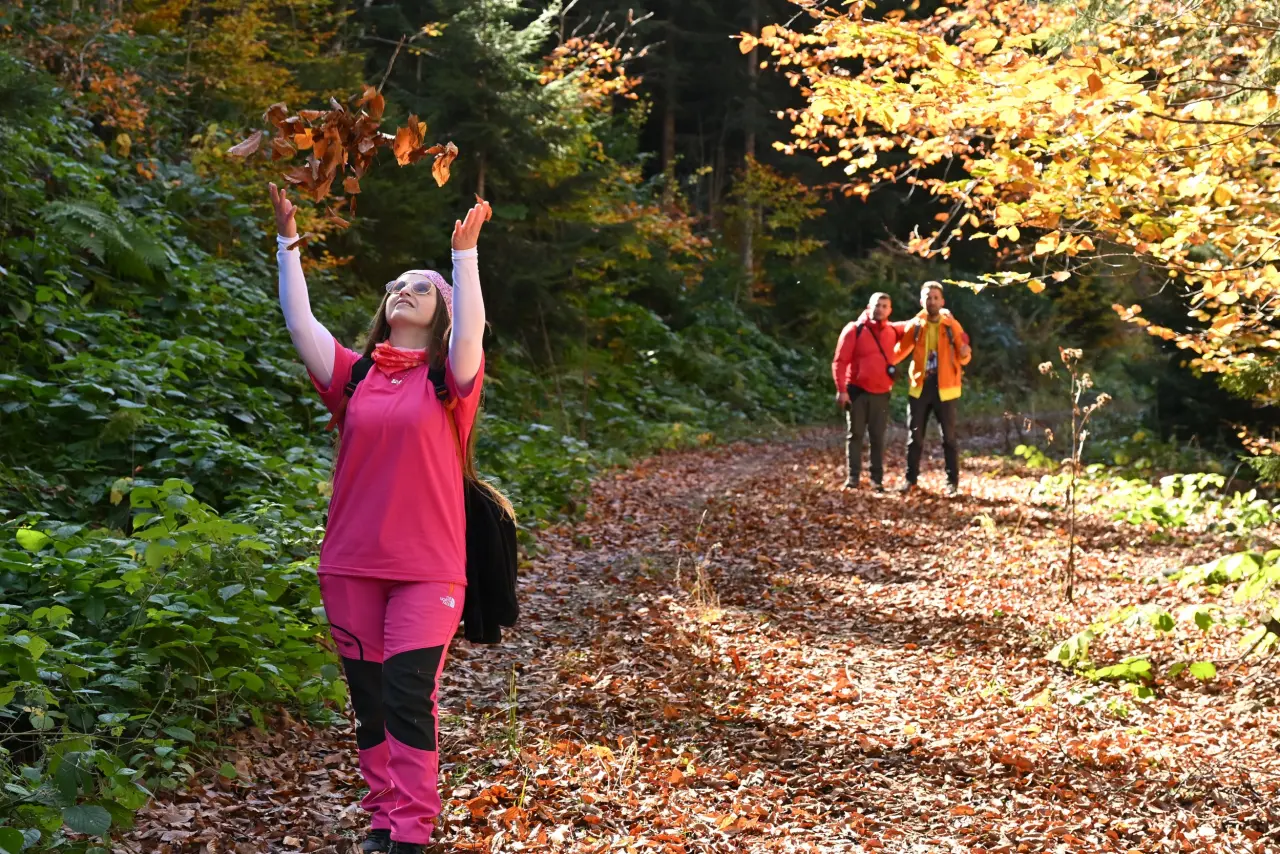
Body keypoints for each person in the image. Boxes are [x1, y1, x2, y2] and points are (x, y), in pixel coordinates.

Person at [270, 182, 491, 854]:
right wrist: (288, 244)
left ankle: (412, 830)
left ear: (440, 311)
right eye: (395, 284)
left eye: (418, 287)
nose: (403, 289)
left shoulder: (449, 380)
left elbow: (472, 331)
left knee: (405, 694)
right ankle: (381, 817)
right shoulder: (355, 377)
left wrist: (463, 260)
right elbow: (300, 324)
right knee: (369, 701)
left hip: (427, 570)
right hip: (349, 568)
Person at [893, 281, 972, 497]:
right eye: (928, 297)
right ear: (922, 301)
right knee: (914, 437)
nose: (932, 301)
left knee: (949, 438)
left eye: (936, 297)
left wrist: (965, 352)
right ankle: (910, 481)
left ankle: (952, 483)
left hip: (946, 389)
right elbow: (899, 352)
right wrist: (881, 359)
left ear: (942, 301)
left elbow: (964, 353)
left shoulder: (951, 325)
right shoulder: (916, 325)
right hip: (920, 388)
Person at [831, 292, 901, 492]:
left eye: (884, 306)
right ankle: (853, 478)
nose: (880, 309)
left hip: (882, 393)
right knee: (855, 435)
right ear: (869, 306)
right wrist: (841, 390)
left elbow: (915, 324)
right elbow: (840, 361)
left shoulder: (892, 331)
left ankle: (876, 480)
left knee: (878, 437)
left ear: (890, 310)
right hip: (857, 392)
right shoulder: (854, 329)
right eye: (877, 305)